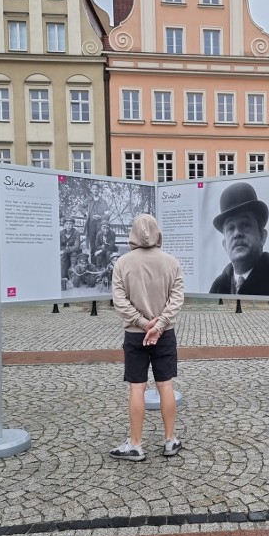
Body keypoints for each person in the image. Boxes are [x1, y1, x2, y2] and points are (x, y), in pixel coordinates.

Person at [110, 214, 184, 462]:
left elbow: (120, 302)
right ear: (157, 232)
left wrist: (143, 324)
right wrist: (159, 324)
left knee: (137, 387)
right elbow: (177, 299)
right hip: (165, 335)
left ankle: (136, 444)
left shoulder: (122, 263)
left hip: (134, 335)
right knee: (165, 385)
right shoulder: (172, 262)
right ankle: (170, 439)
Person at [209, 182, 269, 296]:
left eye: (245, 224)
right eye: (230, 228)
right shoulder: (217, 288)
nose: (237, 233)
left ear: (262, 236)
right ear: (225, 245)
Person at [82, 182, 109, 263]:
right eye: (93, 189)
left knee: (100, 243)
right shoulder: (89, 200)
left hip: (100, 225)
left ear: (99, 190)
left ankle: (100, 264)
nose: (95, 191)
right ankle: (93, 264)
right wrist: (86, 213)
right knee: (92, 245)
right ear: (91, 190)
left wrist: (100, 217)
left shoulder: (103, 201)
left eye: (96, 189)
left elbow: (107, 214)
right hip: (90, 225)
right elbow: (80, 207)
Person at [60, 216, 82, 280]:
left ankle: (73, 276)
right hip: (65, 252)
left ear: (73, 225)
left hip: (74, 252)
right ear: (64, 225)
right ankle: (64, 277)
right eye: (66, 224)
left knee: (74, 255)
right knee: (63, 258)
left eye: (70, 224)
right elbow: (59, 245)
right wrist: (63, 251)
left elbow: (76, 247)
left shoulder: (76, 233)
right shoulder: (61, 233)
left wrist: (65, 250)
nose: (68, 226)